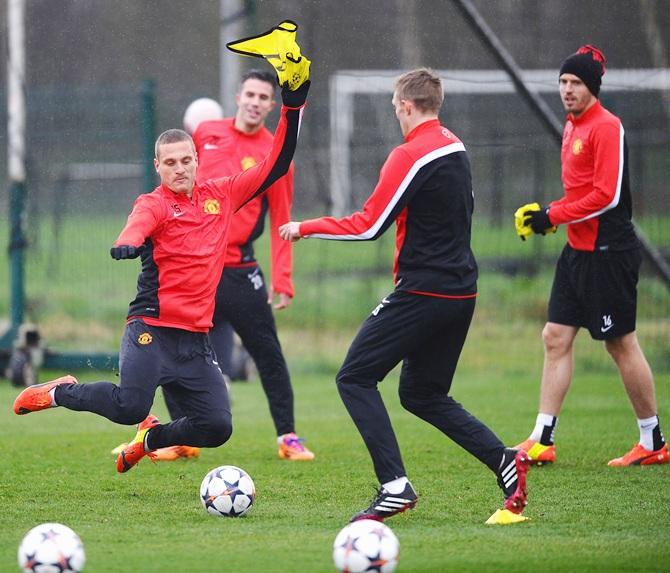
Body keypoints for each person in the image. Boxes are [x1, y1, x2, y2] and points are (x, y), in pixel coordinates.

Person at [13, 77, 310, 474]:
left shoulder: (221, 195)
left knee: (217, 426)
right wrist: (128, 242)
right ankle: (59, 393)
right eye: (170, 163)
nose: (179, 169)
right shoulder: (153, 203)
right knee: (129, 406)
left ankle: (149, 441)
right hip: (151, 331)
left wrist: (293, 103)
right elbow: (137, 224)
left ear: (196, 160)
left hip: (195, 341)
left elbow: (277, 163)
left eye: (186, 161)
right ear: (158, 166)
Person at [280, 68, 530, 522]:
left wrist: (305, 227)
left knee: (353, 377)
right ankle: (504, 460)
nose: (395, 113)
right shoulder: (454, 143)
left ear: (408, 106)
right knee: (421, 393)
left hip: (424, 292)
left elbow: (368, 224)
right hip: (460, 292)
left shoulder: (410, 153)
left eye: (396, 107)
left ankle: (395, 486)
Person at [515, 45, 667, 467]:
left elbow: (606, 195)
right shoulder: (571, 125)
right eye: (563, 82)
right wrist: (544, 215)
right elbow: (578, 194)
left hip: (609, 252)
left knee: (620, 344)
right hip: (577, 251)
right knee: (555, 337)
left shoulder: (607, 126)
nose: (567, 89)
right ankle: (543, 438)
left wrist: (552, 215)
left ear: (592, 87)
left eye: (575, 83)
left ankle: (652, 441)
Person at [156, 69, 314, 462]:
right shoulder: (207, 133)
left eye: (264, 97)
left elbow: (282, 219)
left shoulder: (275, 154)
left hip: (241, 271)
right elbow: (174, 185)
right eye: (251, 95)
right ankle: (182, 437)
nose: (256, 102)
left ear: (271, 105)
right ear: (238, 97)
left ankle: (288, 438)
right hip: (194, 268)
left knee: (268, 354)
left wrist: (284, 279)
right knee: (172, 351)